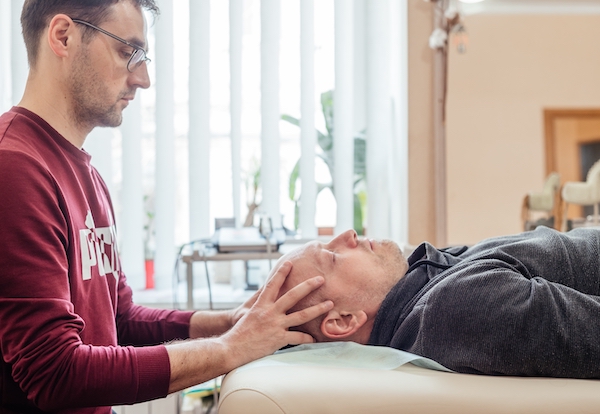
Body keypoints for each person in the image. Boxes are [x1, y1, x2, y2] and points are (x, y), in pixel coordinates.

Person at [0, 1, 333, 413]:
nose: (143, 78)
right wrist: (230, 348)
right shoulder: (14, 168)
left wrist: (232, 322)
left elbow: (120, 321)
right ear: (63, 37)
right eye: (128, 51)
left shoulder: (87, 177)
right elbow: (55, 373)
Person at [277, 226, 600, 379]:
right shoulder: (458, 306)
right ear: (344, 320)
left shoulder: (426, 280)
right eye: (332, 256)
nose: (348, 234)